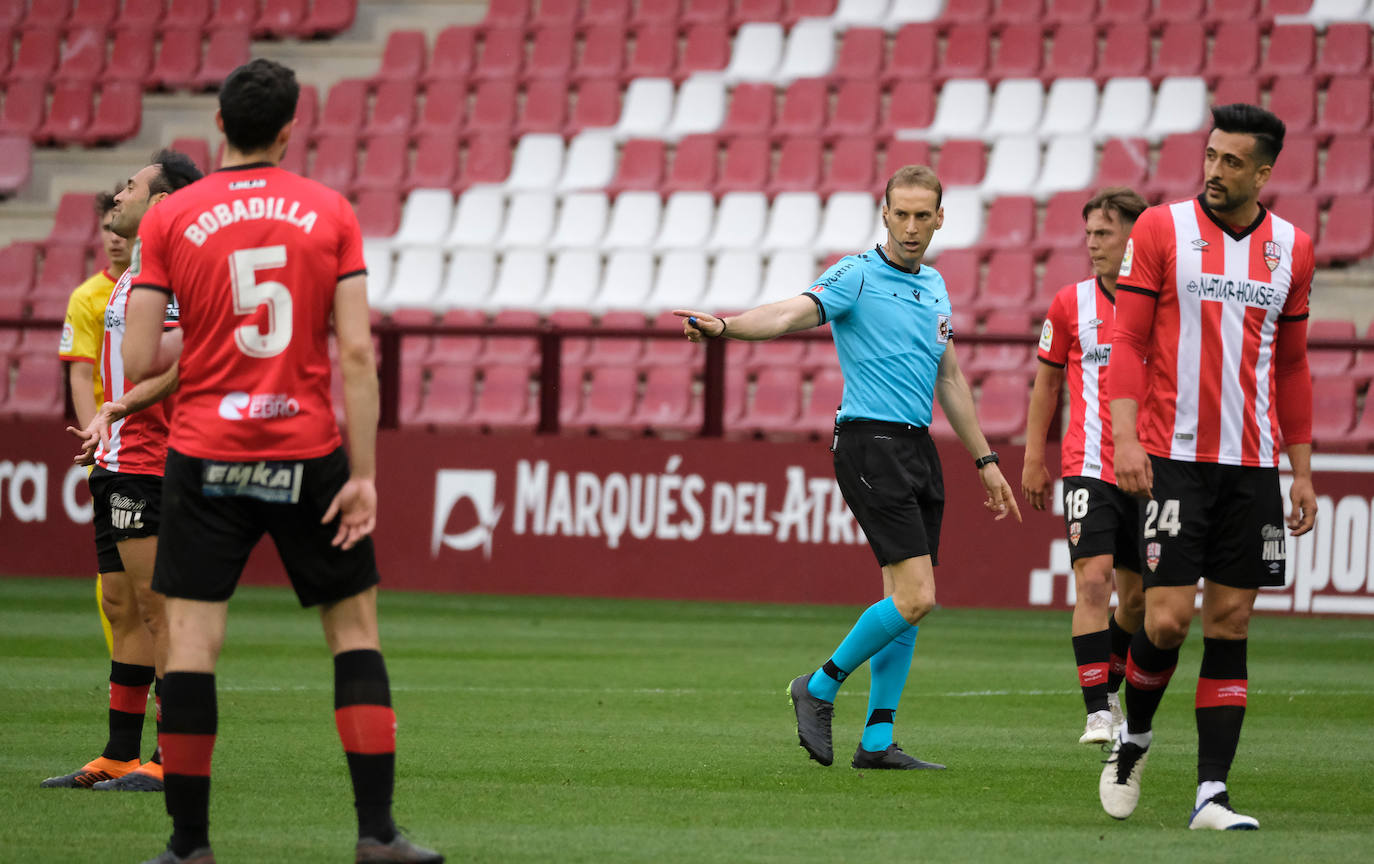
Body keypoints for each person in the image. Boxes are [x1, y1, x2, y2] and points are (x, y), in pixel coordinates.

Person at [119, 59, 441, 864]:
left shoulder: (169, 219)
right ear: (291, 127)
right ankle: (376, 835)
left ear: (218, 125)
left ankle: (188, 845)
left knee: (191, 644)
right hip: (307, 449)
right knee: (354, 634)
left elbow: (134, 355)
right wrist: (363, 476)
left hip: (202, 453)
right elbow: (358, 355)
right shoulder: (329, 212)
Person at [678, 165, 1021, 771]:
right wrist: (727, 327)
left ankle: (878, 740)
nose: (912, 227)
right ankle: (820, 684)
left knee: (901, 596)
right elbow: (790, 313)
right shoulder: (857, 275)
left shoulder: (937, 286)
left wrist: (985, 460)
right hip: (869, 442)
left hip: (918, 447)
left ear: (941, 218)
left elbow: (950, 377)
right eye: (902, 214)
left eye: (924, 215)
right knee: (918, 597)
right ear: (883, 215)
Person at [1097, 103, 1317, 830]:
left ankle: (1210, 794)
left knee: (1231, 621)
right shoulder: (1163, 228)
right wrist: (1126, 440)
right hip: (1172, 458)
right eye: (1211, 155)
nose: (1215, 170)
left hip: (1252, 466)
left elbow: (1291, 367)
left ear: (1264, 171)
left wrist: (1303, 471)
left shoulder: (1293, 248)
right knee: (1164, 621)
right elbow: (1126, 340)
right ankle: (1134, 738)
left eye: (1231, 161)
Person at [43, 160, 202, 793]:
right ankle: (118, 752)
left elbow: (186, 365)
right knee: (122, 604)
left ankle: (171, 757)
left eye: (131, 187)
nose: (118, 195)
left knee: (162, 611)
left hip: (156, 460)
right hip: (118, 457)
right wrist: (106, 428)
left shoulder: (177, 274)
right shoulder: (132, 273)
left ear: (161, 201)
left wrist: (124, 409)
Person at [1022, 187, 1148, 745]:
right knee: (1092, 581)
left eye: (1105, 233)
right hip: (1087, 465)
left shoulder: (1163, 304)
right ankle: (1097, 709)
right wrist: (1033, 457)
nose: (1093, 243)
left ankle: (1112, 682)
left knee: (1140, 599)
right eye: (1090, 233)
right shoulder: (1069, 304)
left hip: (1150, 468)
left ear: (1133, 238)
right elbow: (1047, 383)